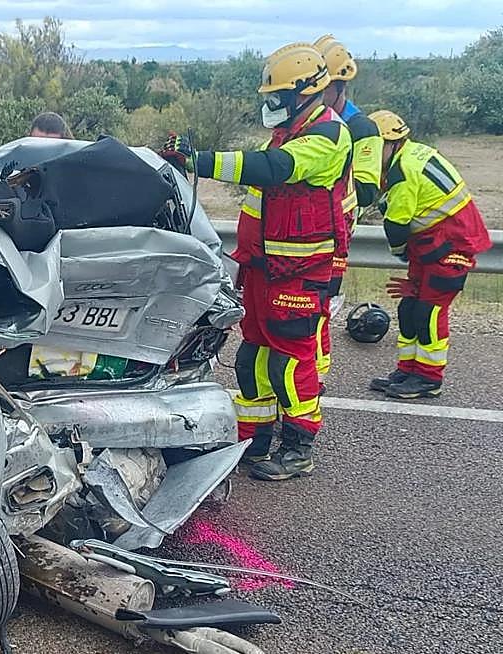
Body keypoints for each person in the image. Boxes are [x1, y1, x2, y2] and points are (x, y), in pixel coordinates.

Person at [160, 43, 350, 481]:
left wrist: (198, 160)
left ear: (306, 93)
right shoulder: (290, 131)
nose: (272, 105)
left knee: (290, 359)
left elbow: (270, 169)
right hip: (265, 269)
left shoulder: (327, 136)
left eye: (277, 97)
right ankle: (254, 439)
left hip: (299, 274)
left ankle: (299, 447)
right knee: (252, 357)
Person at [366, 110, 491, 399]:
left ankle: (428, 379)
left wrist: (401, 253)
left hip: (452, 244)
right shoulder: (408, 154)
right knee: (409, 307)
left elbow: (396, 225)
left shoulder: (402, 172)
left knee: (428, 313)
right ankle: (408, 370)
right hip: (430, 245)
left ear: (390, 143)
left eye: (372, 148)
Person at [313, 34, 382, 378]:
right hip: (306, 235)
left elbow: (368, 190)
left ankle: (312, 390)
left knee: (317, 314)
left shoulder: (361, 127)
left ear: (340, 87)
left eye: (324, 88)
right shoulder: (311, 123)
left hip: (334, 235)